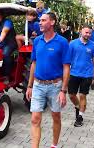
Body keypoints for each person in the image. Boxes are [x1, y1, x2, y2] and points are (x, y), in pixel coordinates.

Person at [26, 12, 70, 148]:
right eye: (40, 20)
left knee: (56, 116)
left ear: (52, 22)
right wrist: (29, 86)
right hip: (38, 85)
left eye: (43, 20)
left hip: (55, 86)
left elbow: (66, 67)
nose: (40, 22)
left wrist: (63, 90)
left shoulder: (62, 42)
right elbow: (33, 63)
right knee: (35, 119)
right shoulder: (37, 41)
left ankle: (54, 145)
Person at [68, 25, 94, 127]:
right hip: (74, 73)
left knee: (82, 95)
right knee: (71, 95)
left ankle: (80, 117)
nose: (88, 35)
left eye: (90, 33)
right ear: (81, 32)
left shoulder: (93, 45)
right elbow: (68, 59)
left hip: (87, 74)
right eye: (86, 32)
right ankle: (78, 107)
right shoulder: (72, 44)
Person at [0, 10, 17, 77]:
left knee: (5, 54)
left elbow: (4, 31)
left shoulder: (7, 22)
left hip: (9, 43)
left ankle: (7, 75)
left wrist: (0, 39)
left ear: (2, 15)